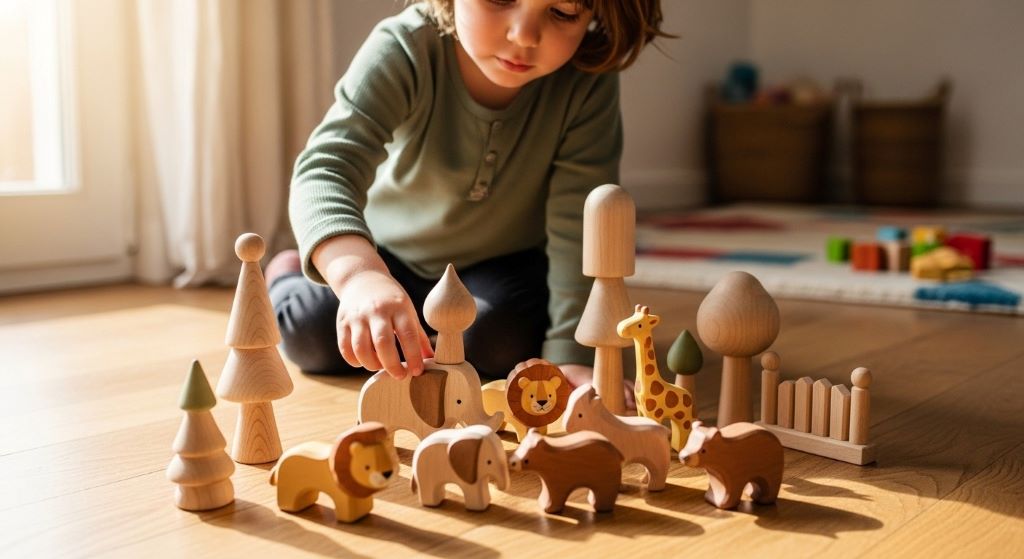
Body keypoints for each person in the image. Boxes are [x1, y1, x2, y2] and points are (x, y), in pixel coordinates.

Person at [269, 0, 667, 399]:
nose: (524, 36)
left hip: (501, 264)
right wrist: (360, 277)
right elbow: (327, 168)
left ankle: (421, 331)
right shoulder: (406, 47)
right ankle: (285, 273)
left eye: (562, 12)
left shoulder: (587, 79)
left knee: (500, 343)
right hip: (388, 255)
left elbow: (580, 221)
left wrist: (570, 354)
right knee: (314, 336)